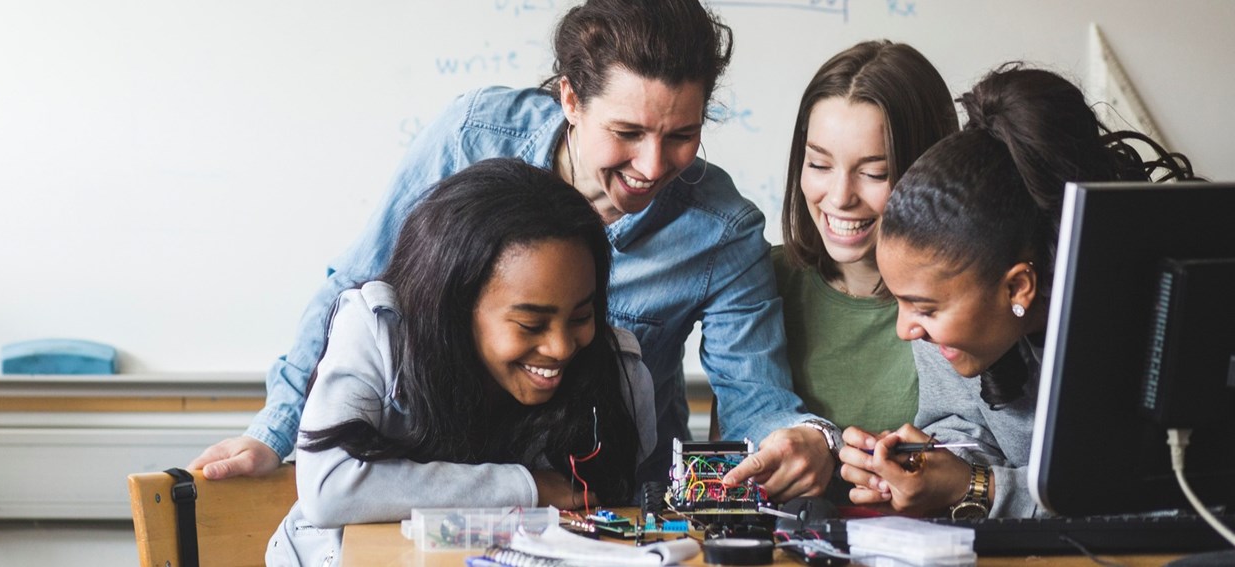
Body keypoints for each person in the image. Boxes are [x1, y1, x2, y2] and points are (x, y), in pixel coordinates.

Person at [195, 0, 837, 498]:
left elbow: (756, 400)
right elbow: (354, 291)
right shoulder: (472, 139)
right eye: (627, 132)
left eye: (682, 135)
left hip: (606, 499)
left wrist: (803, 440)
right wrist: (274, 432)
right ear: (570, 99)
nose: (652, 164)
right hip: (438, 488)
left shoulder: (722, 230)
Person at [836, 65, 1197, 518]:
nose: (905, 328)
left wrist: (979, 488)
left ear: (1019, 287)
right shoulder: (948, 330)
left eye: (924, 309)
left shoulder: (1149, 325)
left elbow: (1155, 499)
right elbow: (966, 430)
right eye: (901, 300)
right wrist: (932, 469)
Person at [266, 159, 657, 565]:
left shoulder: (618, 376)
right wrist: (529, 487)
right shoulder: (376, 331)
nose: (561, 347)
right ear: (454, 308)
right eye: (530, 323)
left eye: (581, 316)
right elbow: (331, 489)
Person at [771, 40, 957, 434]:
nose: (839, 198)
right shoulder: (762, 281)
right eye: (819, 164)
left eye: (874, 174)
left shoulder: (965, 300)